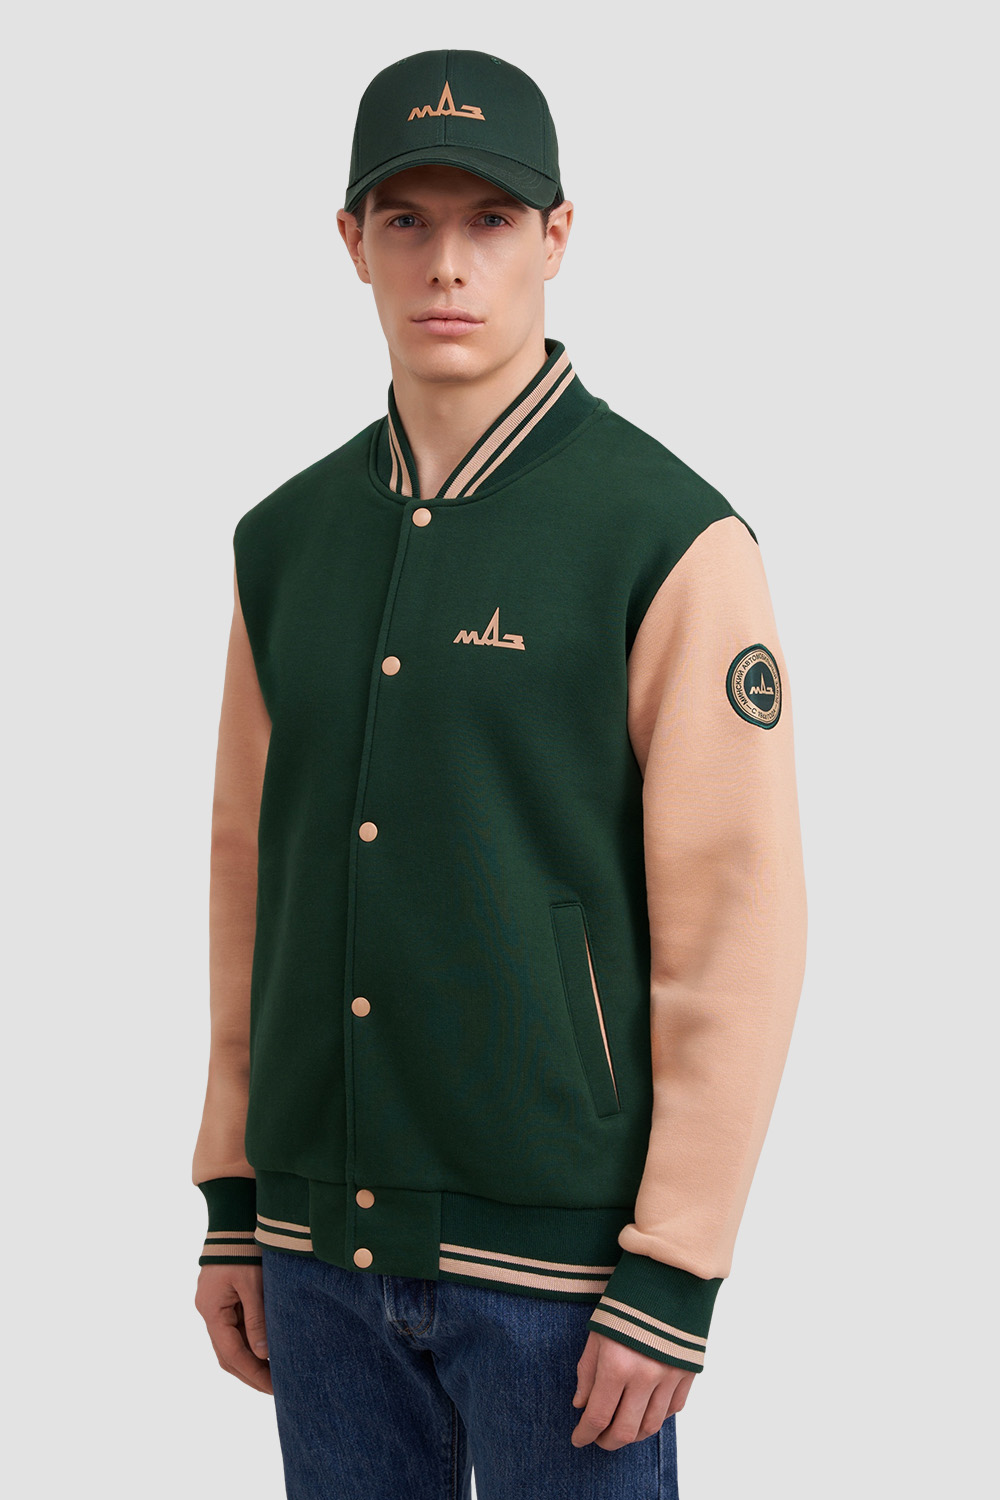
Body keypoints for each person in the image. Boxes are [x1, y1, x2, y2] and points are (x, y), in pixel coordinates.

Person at [191, 47, 808, 1500]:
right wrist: (235, 1196)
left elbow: (740, 923)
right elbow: (250, 883)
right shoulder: (283, 544)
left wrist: (676, 1266)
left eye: (490, 220)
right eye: (407, 221)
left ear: (557, 236)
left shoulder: (669, 538)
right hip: (317, 1258)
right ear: (352, 241)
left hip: (571, 1282)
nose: (448, 264)